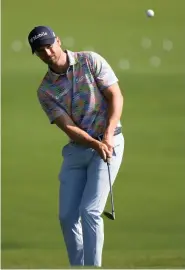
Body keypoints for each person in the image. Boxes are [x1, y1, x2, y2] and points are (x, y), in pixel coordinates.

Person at [28, 25, 125, 267]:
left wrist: (108, 136)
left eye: (49, 46)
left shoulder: (90, 61)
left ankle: (93, 267)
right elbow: (68, 127)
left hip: (109, 143)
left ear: (58, 41)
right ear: (37, 55)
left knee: (90, 211)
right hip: (79, 149)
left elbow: (116, 96)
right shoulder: (45, 91)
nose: (47, 52)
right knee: (67, 215)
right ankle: (78, 266)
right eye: (40, 51)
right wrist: (93, 142)